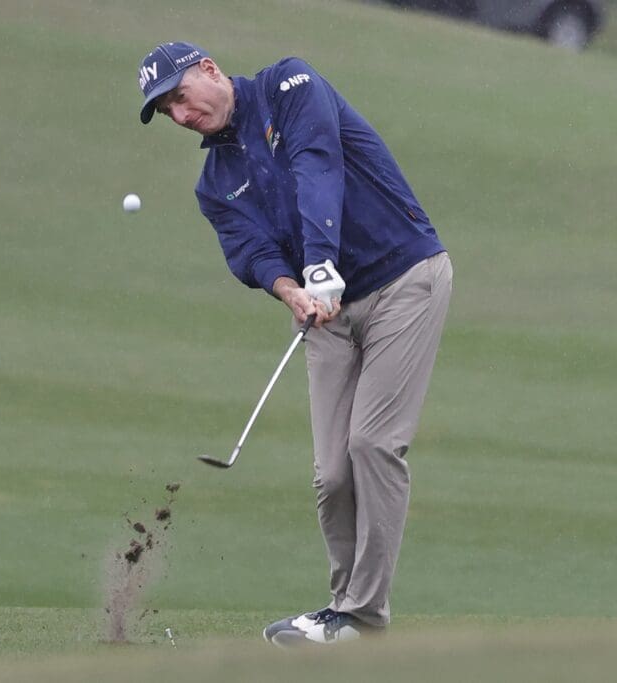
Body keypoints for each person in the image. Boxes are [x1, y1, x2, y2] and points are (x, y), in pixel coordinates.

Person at [136, 42, 452, 646]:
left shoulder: (290, 85)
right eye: (167, 112)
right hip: (323, 310)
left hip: (403, 278)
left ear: (208, 69)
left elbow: (317, 164)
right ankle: (340, 613)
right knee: (332, 473)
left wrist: (321, 260)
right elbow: (253, 253)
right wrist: (293, 291)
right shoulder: (214, 185)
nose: (180, 116)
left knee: (373, 445)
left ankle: (363, 617)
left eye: (179, 97)